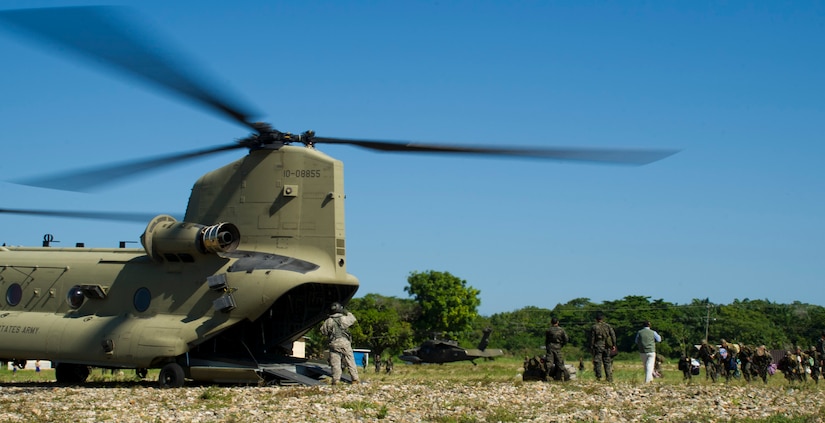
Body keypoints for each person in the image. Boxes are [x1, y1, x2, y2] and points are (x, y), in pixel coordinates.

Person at [320, 302, 360, 384]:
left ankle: (336, 380)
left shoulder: (328, 321)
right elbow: (353, 319)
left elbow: (323, 331)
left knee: (335, 363)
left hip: (333, 343)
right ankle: (355, 379)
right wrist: (346, 311)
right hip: (344, 342)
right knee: (350, 360)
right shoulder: (344, 319)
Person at [589, 312, 617, 382]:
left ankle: (599, 377)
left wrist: (591, 347)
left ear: (596, 319)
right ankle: (609, 377)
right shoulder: (608, 326)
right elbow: (613, 335)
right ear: (603, 319)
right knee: (607, 361)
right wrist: (613, 344)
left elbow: (592, 338)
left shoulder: (594, 327)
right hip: (607, 346)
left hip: (598, 345)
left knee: (597, 361)